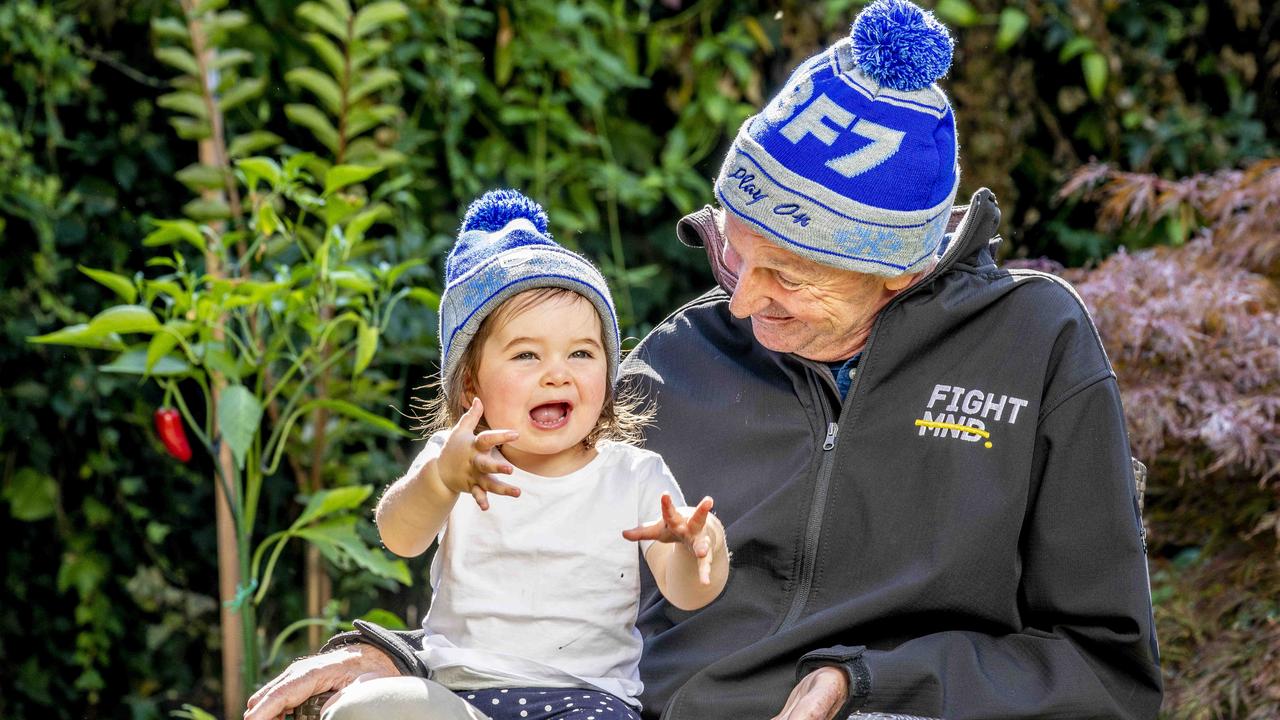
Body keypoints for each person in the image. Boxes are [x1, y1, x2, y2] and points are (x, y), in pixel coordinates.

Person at [246, 1, 1162, 718]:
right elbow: (559, 597)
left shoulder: (1034, 346)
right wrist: (407, 659)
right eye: (734, 252)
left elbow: (1104, 672)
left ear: (901, 270)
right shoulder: (679, 361)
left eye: (791, 277)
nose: (745, 301)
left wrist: (873, 688)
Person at [247, 189, 730, 720]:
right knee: (368, 706)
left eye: (582, 353)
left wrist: (698, 546)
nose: (557, 372)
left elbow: (688, 594)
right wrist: (439, 481)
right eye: (526, 354)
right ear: (471, 380)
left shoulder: (634, 475)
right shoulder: (453, 462)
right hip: (458, 700)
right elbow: (399, 536)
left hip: (588, 705)